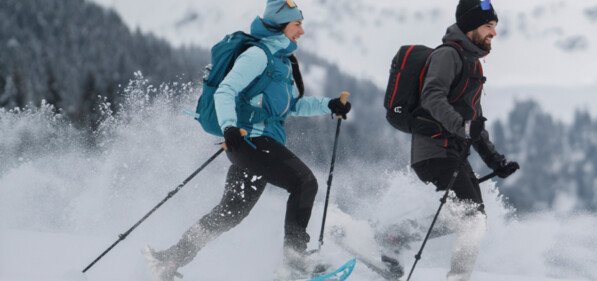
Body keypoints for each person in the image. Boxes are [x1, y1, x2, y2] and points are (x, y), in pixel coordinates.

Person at [144, 0, 352, 280]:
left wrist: (329, 105)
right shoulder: (258, 55)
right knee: (304, 183)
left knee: (231, 211)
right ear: (281, 25)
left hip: (254, 144)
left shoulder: (282, 60)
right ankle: (295, 261)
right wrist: (230, 128)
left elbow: (291, 107)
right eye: (297, 24)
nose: (302, 30)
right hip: (250, 141)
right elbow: (225, 91)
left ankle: (170, 259)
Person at [379, 0, 519, 280]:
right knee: (471, 219)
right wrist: (462, 126)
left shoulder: (474, 66)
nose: (493, 33)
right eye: (488, 26)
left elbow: (475, 119)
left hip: (453, 153)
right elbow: (432, 96)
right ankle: (457, 277)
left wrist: (494, 159)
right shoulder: (448, 55)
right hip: (432, 151)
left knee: (473, 217)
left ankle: (392, 237)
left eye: (494, 26)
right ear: (470, 27)